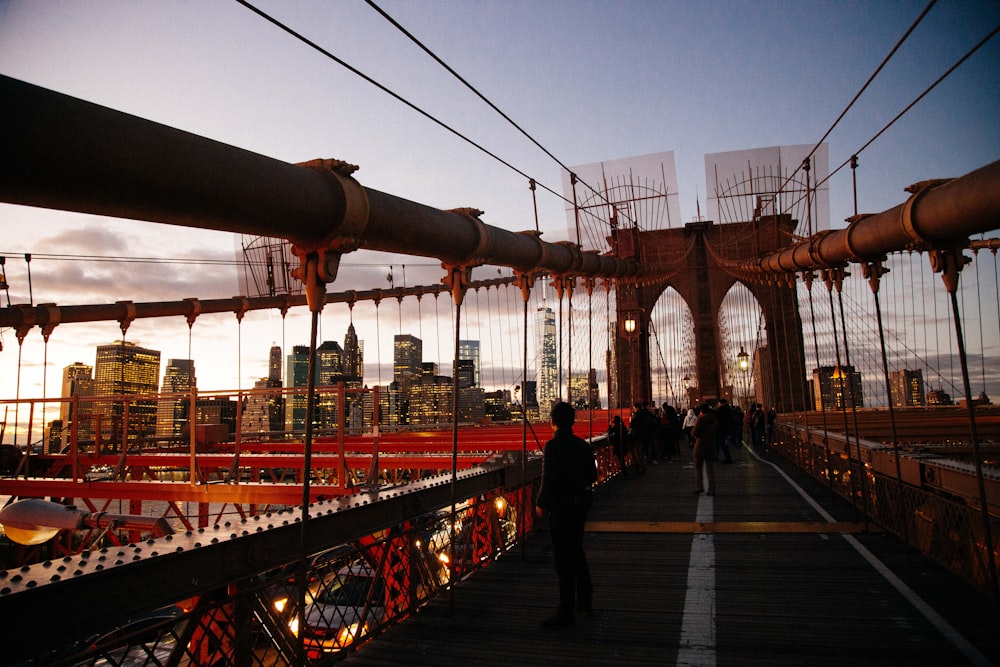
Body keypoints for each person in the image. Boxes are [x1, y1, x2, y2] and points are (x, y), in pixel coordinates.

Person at [535, 402, 599, 628]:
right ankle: (585, 602)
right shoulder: (582, 446)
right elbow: (592, 474)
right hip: (579, 506)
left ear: (553, 422)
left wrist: (541, 503)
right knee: (577, 552)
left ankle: (566, 611)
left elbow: (548, 479)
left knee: (563, 560)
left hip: (560, 508)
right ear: (573, 421)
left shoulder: (552, 447)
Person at [691, 402, 719, 495]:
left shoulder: (701, 419)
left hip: (700, 446)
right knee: (710, 469)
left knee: (698, 467)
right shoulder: (714, 420)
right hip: (711, 445)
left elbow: (694, 432)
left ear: (701, 411)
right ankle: (712, 489)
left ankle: (699, 487)